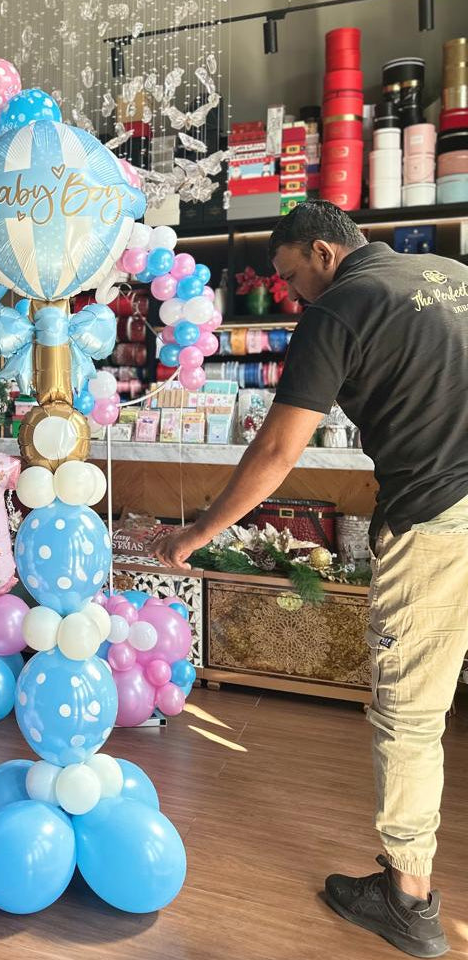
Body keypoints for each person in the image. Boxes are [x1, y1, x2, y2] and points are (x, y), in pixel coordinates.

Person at [151, 199, 468, 958]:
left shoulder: (343, 307)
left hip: (437, 522)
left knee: (411, 713)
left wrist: (198, 533)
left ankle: (408, 901)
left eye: (293, 278)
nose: (293, 297)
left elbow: (276, 453)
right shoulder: (450, 273)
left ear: (324, 252)